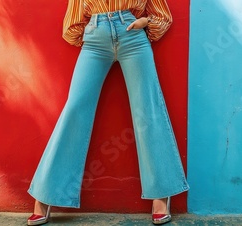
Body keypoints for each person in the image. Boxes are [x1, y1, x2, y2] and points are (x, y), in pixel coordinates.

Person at [27, 0, 189, 225]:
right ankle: (47, 194)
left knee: (148, 108)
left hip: (133, 36)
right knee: (75, 108)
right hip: (95, 38)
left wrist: (145, 21)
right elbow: (73, 24)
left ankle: (160, 194)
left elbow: (161, 14)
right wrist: (96, 31)